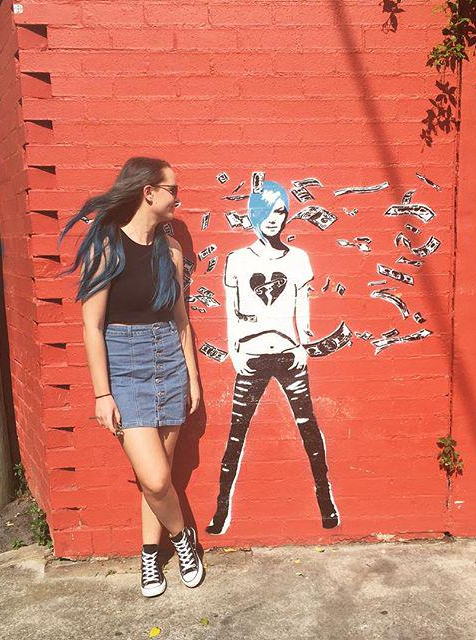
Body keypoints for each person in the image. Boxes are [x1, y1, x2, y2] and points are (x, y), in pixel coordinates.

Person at [58, 157, 204, 597]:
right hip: (124, 366)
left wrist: (192, 377)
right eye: (172, 190)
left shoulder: (171, 250)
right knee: (155, 477)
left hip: (169, 361)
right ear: (148, 192)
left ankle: (149, 556)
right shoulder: (107, 246)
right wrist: (102, 393)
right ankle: (183, 538)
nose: (178, 198)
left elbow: (181, 320)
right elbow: (92, 325)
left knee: (156, 478)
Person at [206, 180, 340, 535]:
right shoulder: (237, 260)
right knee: (236, 435)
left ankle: (326, 504)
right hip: (251, 357)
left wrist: (302, 347)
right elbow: (232, 312)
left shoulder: (298, 259)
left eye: (280, 211)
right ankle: (220, 512)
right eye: (265, 211)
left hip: (288, 356)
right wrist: (235, 352)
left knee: (309, 431)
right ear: (253, 214)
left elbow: (302, 309)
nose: (273, 218)